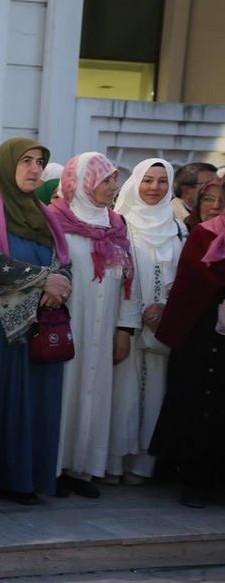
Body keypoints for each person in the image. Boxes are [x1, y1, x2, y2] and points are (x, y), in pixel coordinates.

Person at [0, 138, 74, 503]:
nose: (35, 169)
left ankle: (22, 480)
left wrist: (60, 283)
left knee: (36, 398)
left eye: (39, 162)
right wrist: (43, 279)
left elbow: (63, 258)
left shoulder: (43, 212)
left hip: (41, 320)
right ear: (7, 164)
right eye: (26, 161)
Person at [45, 152, 130, 498]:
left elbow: (128, 281)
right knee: (65, 392)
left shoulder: (117, 225)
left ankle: (80, 468)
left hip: (103, 326)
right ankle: (51, 468)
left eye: (114, 180)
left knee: (93, 392)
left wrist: (124, 328)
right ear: (83, 182)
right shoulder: (55, 221)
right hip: (68, 325)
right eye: (106, 180)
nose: (113, 186)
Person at [108, 158, 185, 485]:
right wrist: (128, 317)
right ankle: (113, 464)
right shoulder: (119, 223)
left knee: (154, 392)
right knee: (121, 393)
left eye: (162, 181)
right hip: (124, 324)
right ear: (135, 182)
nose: (154, 187)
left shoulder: (178, 228)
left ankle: (142, 466)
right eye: (148, 180)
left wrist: (167, 308)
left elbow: (186, 277)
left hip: (162, 327)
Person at [149, 188, 225, 507]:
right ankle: (195, 480)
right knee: (199, 403)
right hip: (202, 332)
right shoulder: (205, 234)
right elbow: (194, 278)